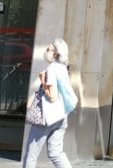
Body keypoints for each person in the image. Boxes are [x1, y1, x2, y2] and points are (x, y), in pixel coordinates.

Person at [22, 38, 75, 168]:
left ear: (56, 54)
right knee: (56, 154)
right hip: (61, 116)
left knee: (31, 154)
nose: (46, 51)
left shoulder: (52, 68)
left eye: (49, 49)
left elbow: (52, 96)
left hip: (47, 116)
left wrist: (43, 81)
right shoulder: (63, 68)